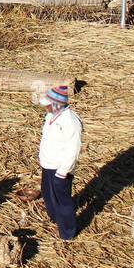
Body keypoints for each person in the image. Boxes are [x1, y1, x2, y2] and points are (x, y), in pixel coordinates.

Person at [38, 85, 82, 241]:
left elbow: (73, 148)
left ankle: (67, 233)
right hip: (48, 165)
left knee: (62, 200)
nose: (45, 107)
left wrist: (64, 170)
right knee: (48, 194)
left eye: (47, 104)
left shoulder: (70, 121)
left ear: (56, 104)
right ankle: (56, 219)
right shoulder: (51, 116)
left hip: (60, 168)